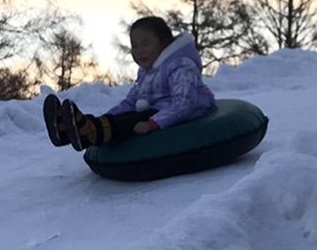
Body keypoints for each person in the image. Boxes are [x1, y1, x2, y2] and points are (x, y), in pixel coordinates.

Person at [43, 17, 216, 150]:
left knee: (131, 122)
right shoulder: (147, 72)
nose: (139, 51)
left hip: (189, 112)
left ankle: (90, 133)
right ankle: (68, 131)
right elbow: (130, 102)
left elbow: (184, 103)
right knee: (125, 116)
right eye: (134, 46)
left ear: (164, 43)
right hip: (155, 111)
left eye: (145, 44)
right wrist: (105, 117)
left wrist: (153, 123)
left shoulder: (180, 65)